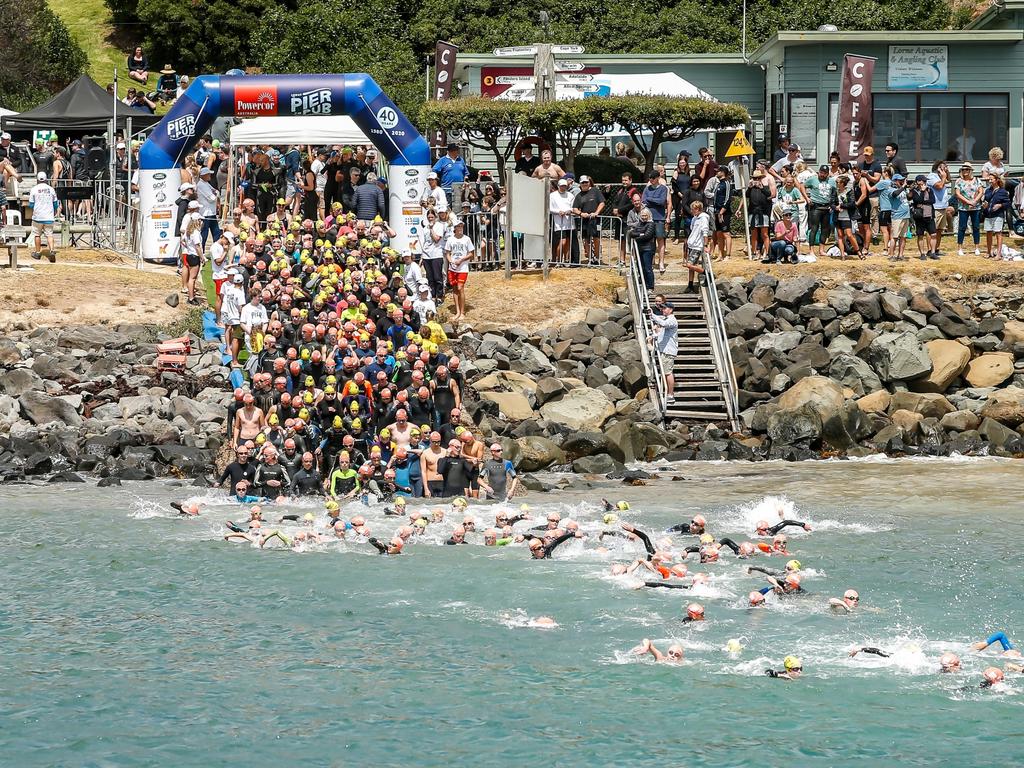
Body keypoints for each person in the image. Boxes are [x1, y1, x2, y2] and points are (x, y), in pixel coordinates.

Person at [800, 165, 837, 259]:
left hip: (827, 207)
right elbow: (802, 186)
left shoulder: (832, 181)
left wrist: (833, 204)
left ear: (827, 174)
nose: (822, 175)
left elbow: (834, 193)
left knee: (825, 229)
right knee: (814, 228)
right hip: (815, 206)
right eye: (821, 172)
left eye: (824, 173)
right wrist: (807, 198)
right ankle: (811, 250)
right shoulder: (813, 179)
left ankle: (821, 249)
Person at [444, 218, 473, 321]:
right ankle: (457, 312)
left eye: (461, 226)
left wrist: (462, 259)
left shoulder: (467, 239)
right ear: (455, 228)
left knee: (461, 287)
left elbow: (471, 253)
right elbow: (447, 253)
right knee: (455, 289)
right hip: (453, 268)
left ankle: (463, 312)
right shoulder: (450, 239)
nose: (460, 228)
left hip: (463, 268)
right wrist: (450, 261)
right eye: (458, 226)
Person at [572, 175, 605, 264]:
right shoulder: (579, 195)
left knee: (596, 238)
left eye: (586, 182)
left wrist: (596, 212)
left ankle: (597, 258)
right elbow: (574, 208)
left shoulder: (595, 191)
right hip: (584, 221)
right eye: (583, 182)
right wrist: (581, 214)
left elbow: (602, 203)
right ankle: (590, 258)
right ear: (580, 184)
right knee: (586, 240)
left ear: (589, 182)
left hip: (595, 220)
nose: (585, 184)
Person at [642, 170, 669, 274]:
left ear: (658, 178)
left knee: (660, 240)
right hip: (649, 218)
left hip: (659, 218)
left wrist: (650, 199)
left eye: (653, 178)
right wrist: (653, 200)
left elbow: (662, 201)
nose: (651, 180)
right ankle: (651, 261)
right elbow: (644, 201)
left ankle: (661, 262)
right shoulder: (647, 189)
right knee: (650, 241)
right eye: (650, 178)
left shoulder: (663, 188)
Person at [649, 303, 677, 404]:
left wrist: (653, 315)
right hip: (664, 350)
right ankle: (667, 392)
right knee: (665, 372)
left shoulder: (672, 320)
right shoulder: (666, 320)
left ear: (671, 310)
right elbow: (662, 332)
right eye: (663, 308)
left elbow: (665, 325)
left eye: (665, 308)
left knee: (668, 372)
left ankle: (670, 395)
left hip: (668, 351)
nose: (663, 310)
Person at [954, 163, 983, 256]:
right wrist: (968, 202)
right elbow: (957, 194)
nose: (965, 171)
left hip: (975, 207)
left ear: (970, 170)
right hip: (963, 207)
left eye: (967, 169)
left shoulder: (977, 180)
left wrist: (974, 201)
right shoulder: (959, 181)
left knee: (976, 227)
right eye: (963, 170)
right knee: (962, 227)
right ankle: (959, 248)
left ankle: (977, 247)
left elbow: (981, 191)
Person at [28, 172, 58, 262]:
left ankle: (37, 252)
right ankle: (52, 250)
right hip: (49, 215)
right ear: (46, 179)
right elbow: (55, 203)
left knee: (37, 234)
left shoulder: (34, 189)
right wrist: (54, 210)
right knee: (49, 234)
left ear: (37, 179)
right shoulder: (51, 189)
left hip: (38, 216)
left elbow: (31, 204)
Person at [927, 160, 951, 258]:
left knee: (940, 230)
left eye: (946, 167)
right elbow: (939, 186)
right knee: (932, 230)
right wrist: (944, 176)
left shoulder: (942, 177)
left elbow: (948, 180)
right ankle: (929, 250)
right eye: (943, 167)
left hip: (943, 206)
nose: (944, 169)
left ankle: (936, 249)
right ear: (937, 168)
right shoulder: (932, 176)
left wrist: (946, 173)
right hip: (935, 207)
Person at [746, 170, 772, 260]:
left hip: (763, 213)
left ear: (761, 179)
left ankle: (768, 253)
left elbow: (769, 194)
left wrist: (762, 188)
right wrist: (749, 188)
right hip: (753, 213)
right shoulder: (751, 188)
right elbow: (746, 195)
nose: (756, 180)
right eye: (754, 178)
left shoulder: (765, 187)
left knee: (764, 234)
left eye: (758, 178)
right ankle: (754, 252)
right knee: (753, 234)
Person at [910, 175, 937, 261]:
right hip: (919, 215)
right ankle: (922, 253)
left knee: (933, 234)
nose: (925, 183)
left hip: (929, 214)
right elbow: (917, 200)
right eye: (923, 181)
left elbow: (933, 200)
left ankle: (933, 252)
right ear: (918, 182)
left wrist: (924, 202)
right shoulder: (914, 191)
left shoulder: (929, 190)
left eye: (925, 181)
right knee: (920, 235)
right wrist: (922, 192)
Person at [628, 207, 656, 289]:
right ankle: (644, 283)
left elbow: (647, 236)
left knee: (648, 268)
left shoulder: (651, 224)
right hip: (640, 249)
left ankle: (650, 286)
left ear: (649, 215)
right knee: (641, 267)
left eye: (645, 216)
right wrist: (640, 234)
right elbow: (631, 233)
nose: (644, 217)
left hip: (648, 249)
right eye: (642, 215)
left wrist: (637, 237)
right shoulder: (639, 224)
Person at [982, 175, 1010, 259]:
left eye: (991, 179)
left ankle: (998, 254)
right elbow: (985, 201)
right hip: (988, 214)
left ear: (997, 180)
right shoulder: (987, 190)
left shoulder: (1003, 191)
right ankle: (989, 252)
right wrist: (984, 205)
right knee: (988, 232)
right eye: (989, 179)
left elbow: (1008, 203)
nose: (989, 181)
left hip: (998, 215)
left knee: (998, 232)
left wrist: (1000, 205)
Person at [685, 200, 710, 291]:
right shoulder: (695, 218)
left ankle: (707, 273)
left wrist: (706, 245)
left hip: (697, 246)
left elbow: (705, 232)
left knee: (689, 265)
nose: (691, 211)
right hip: (692, 244)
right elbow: (692, 229)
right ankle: (690, 284)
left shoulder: (703, 218)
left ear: (698, 209)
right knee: (691, 266)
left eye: (693, 209)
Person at [179, 214, 204, 305]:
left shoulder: (188, 231)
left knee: (191, 278)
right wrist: (202, 257)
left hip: (189, 254)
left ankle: (191, 295)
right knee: (192, 278)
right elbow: (197, 246)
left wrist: (189, 247)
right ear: (197, 221)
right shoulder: (196, 232)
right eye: (200, 220)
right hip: (194, 256)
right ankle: (191, 297)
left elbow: (183, 241)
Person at [549, 177, 574, 264]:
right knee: (562, 241)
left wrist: (569, 211)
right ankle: (558, 259)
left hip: (569, 222)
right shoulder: (552, 195)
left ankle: (565, 259)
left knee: (567, 242)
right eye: (562, 186)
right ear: (558, 186)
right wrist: (557, 212)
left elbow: (573, 207)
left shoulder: (570, 195)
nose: (563, 187)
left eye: (565, 186)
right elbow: (549, 208)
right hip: (558, 223)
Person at [887, 174, 911, 261]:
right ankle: (891, 255)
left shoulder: (903, 189)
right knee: (894, 237)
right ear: (895, 181)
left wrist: (911, 189)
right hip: (897, 216)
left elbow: (909, 197)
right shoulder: (891, 189)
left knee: (903, 236)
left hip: (905, 215)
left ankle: (900, 255)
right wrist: (903, 186)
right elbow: (894, 194)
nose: (901, 181)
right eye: (899, 180)